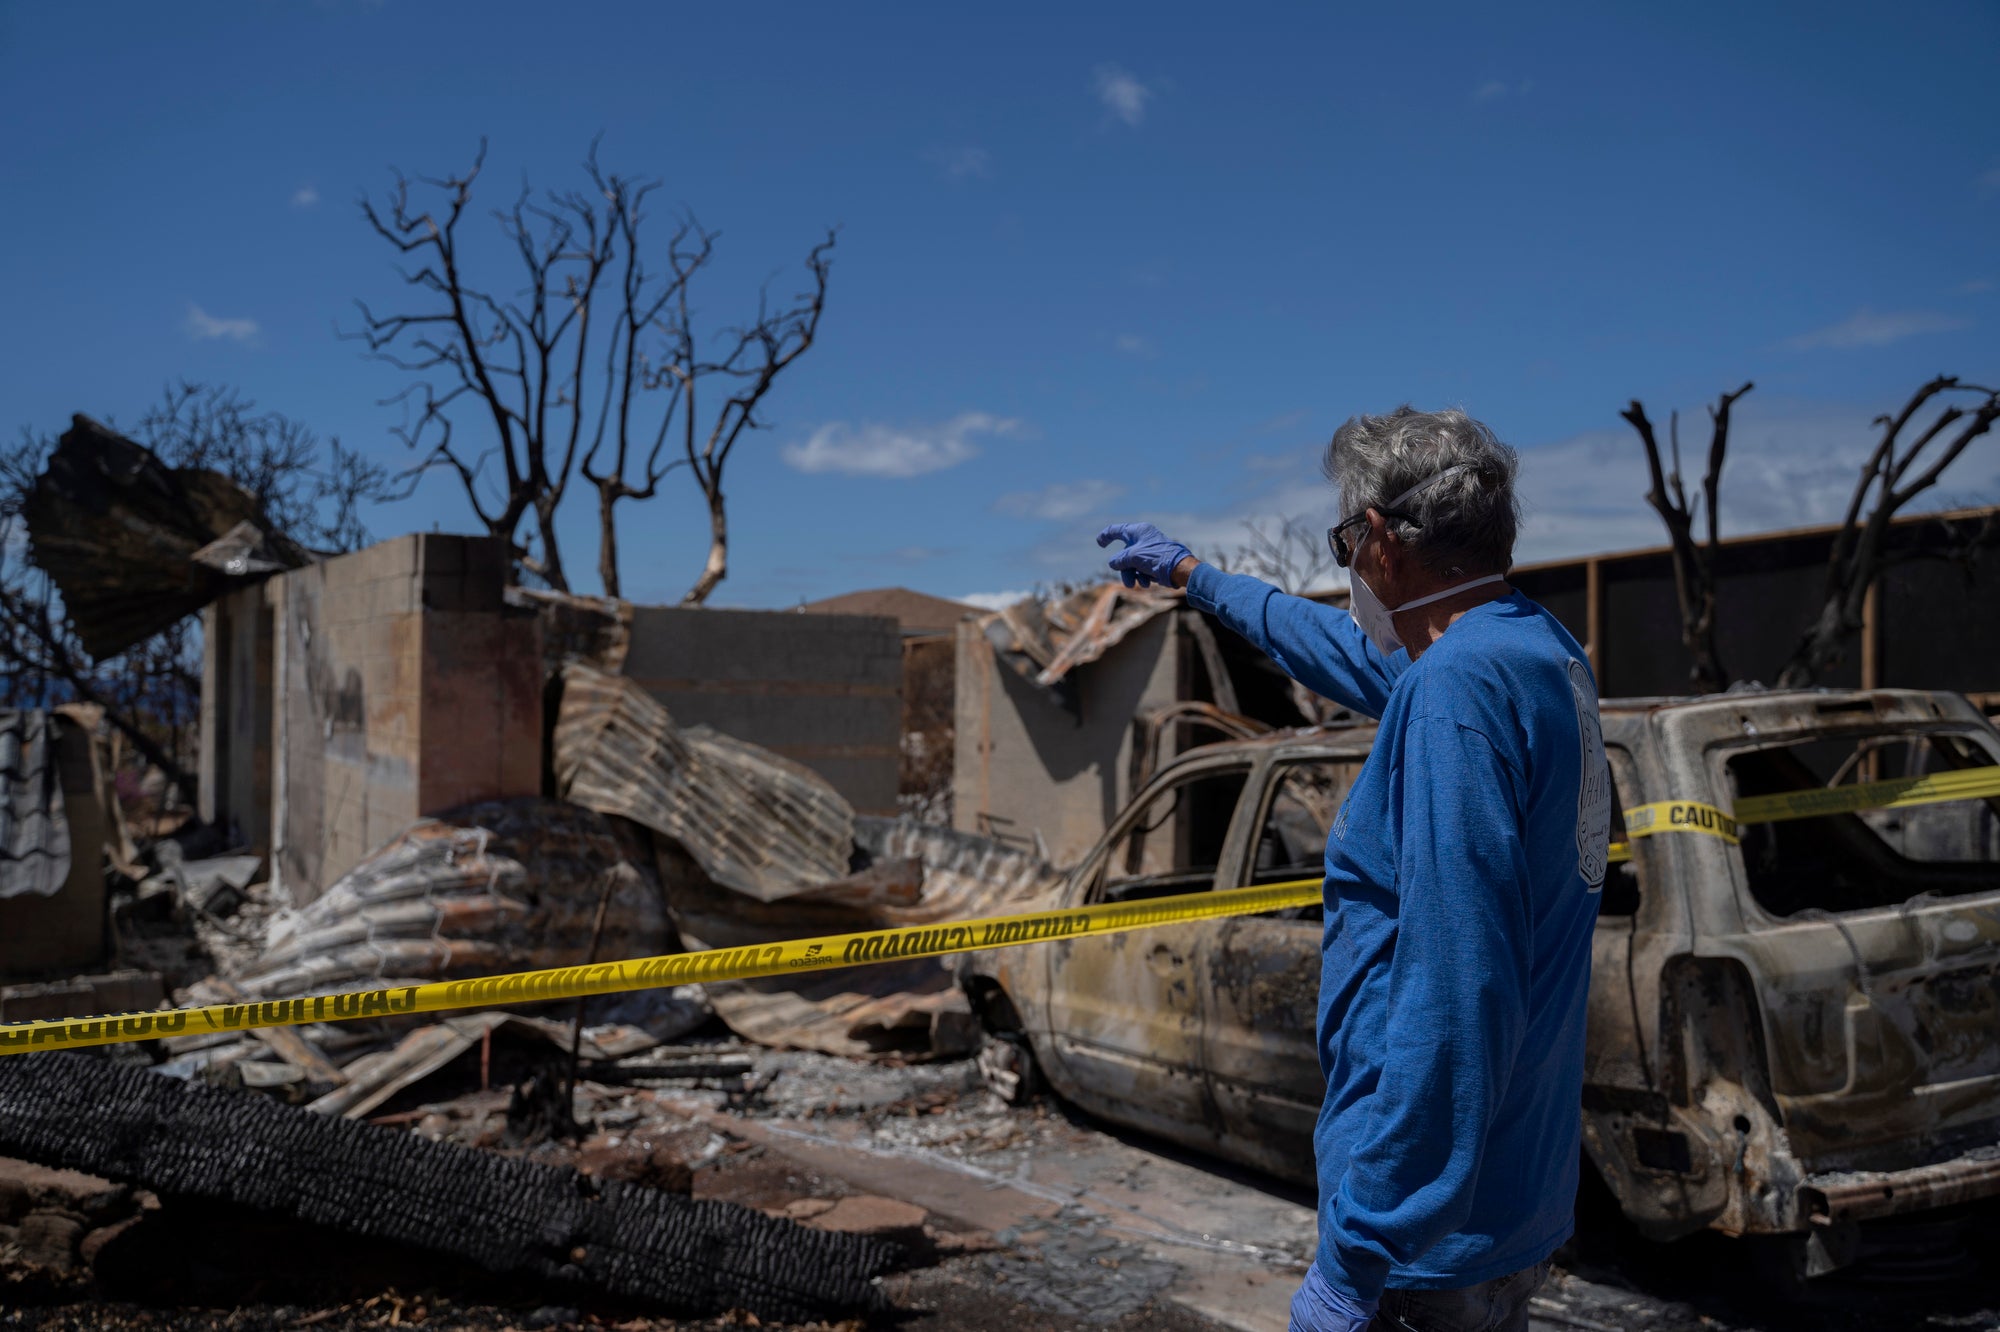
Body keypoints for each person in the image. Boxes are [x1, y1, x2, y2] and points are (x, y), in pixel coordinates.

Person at [1098, 407, 1607, 1332]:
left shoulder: (1455, 691)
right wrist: (1195, 577)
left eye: (1345, 541)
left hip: (1423, 1250)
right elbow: (1339, 647)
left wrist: (1358, 1252)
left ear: (1379, 538)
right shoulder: (1529, 649)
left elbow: (1459, 988)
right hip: (1510, 1195)